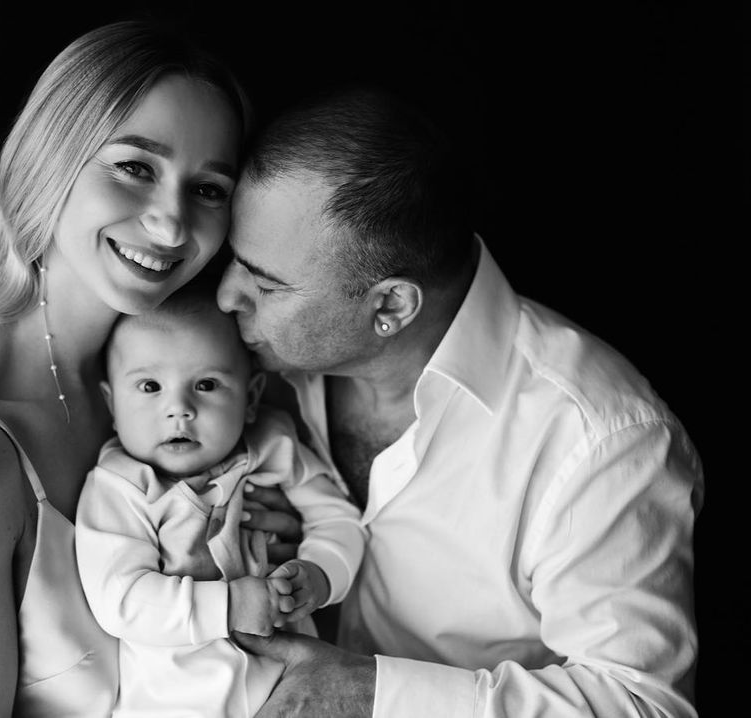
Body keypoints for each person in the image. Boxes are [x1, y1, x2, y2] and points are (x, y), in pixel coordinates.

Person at [215, 85, 704, 717]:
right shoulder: (239, 365)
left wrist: (368, 693)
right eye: (234, 258)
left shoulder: (599, 439)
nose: (225, 296)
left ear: (391, 305)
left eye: (266, 285)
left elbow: (642, 705)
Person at [0, 20, 253, 717]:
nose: (172, 225)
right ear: (51, 159)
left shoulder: (202, 373)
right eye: (135, 168)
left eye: (209, 189)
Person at [75, 287, 365, 717]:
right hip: (178, 704)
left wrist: (321, 573)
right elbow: (121, 600)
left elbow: (338, 519)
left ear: (250, 398)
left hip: (297, 691)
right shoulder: (120, 487)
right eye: (150, 386)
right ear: (112, 404)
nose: (179, 409)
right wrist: (230, 605)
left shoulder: (273, 446)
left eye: (206, 385)